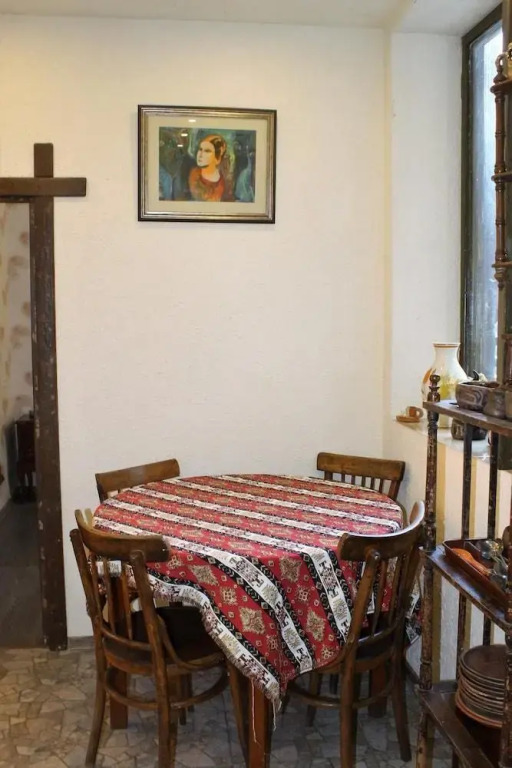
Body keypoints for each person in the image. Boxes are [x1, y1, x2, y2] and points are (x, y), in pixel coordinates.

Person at [189, 134, 233, 202]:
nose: (200, 154)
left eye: (207, 151)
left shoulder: (224, 184)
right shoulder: (192, 175)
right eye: (200, 149)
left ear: (217, 158)